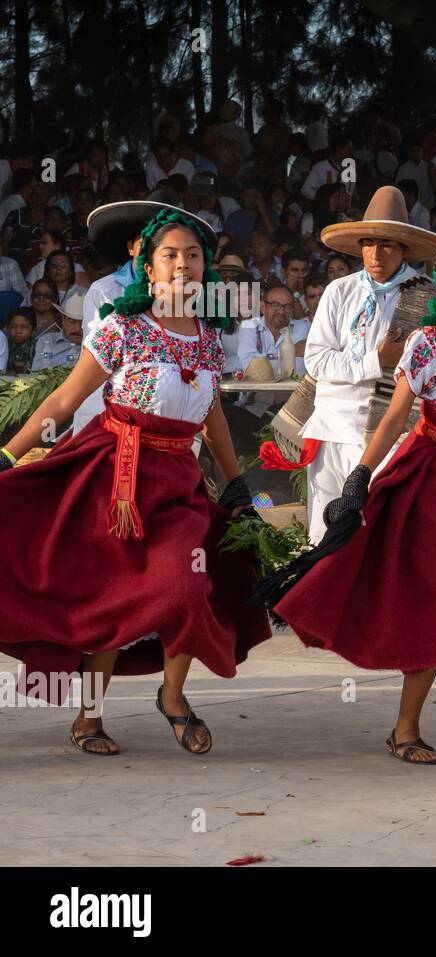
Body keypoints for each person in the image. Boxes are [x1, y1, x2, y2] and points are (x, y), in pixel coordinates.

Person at [259, 227, 436, 764]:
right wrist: (360, 478)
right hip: (430, 483)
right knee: (431, 610)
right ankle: (405, 729)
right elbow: (392, 418)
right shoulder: (426, 342)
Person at [0, 208, 270, 756]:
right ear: (147, 268)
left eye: (193, 256)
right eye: (170, 255)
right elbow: (62, 401)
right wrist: (8, 455)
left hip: (177, 486)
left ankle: (171, 697)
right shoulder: (122, 328)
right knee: (115, 598)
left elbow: (211, 413)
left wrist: (238, 484)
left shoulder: (209, 338)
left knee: (187, 586)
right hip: (115, 478)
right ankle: (89, 719)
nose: (183, 265)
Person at [294, 186, 436, 543]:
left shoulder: (427, 297)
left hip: (390, 431)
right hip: (331, 427)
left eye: (387, 244)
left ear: (404, 249)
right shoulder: (339, 290)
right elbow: (315, 359)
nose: (376, 253)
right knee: (322, 533)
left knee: (379, 532)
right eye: (369, 243)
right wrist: (374, 361)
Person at [32, 292, 84, 370]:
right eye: (72, 322)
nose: (77, 328)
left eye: (83, 323)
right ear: (63, 319)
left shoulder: (93, 346)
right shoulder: (47, 341)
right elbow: (36, 373)